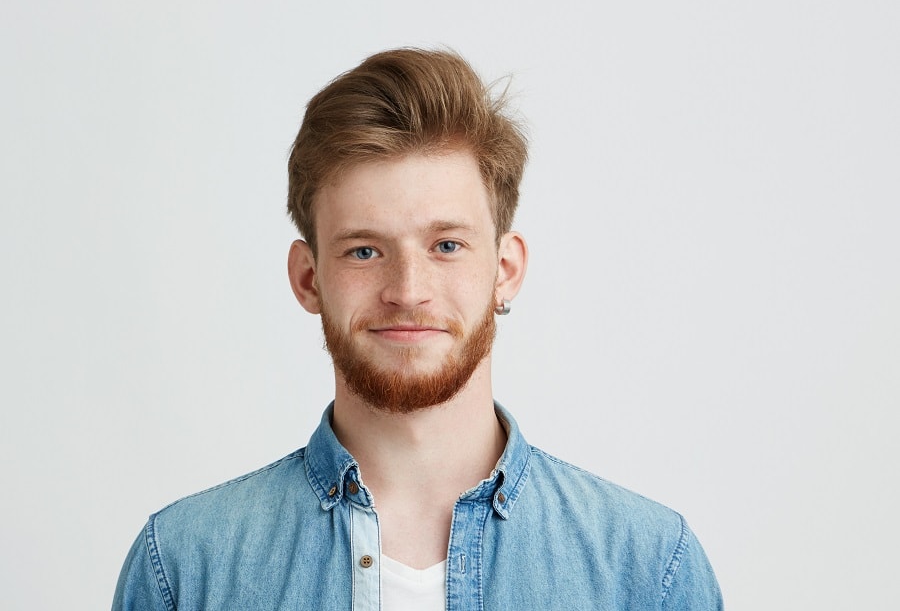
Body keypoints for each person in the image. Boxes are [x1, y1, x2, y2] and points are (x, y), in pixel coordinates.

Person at [113, 48, 723, 610]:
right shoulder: (187, 568)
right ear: (307, 279)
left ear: (505, 271)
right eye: (363, 251)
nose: (407, 290)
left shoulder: (646, 570)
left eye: (447, 245)